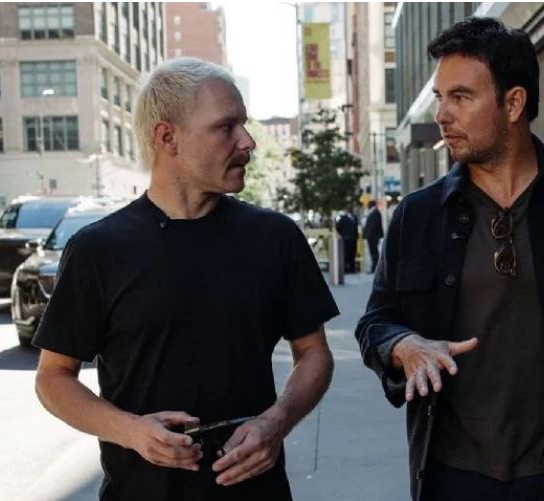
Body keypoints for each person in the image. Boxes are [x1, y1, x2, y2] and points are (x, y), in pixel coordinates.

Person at [355, 18, 544, 501]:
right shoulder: (418, 216)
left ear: (514, 103)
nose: (442, 115)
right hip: (454, 476)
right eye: (440, 97)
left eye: (461, 97)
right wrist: (404, 345)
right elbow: (375, 322)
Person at [33, 58, 339, 500]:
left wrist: (277, 421)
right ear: (167, 137)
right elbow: (53, 379)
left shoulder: (276, 237)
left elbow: (314, 353)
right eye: (226, 127)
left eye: (244, 125)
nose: (247, 142)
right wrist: (131, 431)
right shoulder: (97, 249)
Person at [335, 208, 359, 273]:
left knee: (352, 254)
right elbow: (338, 227)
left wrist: (356, 236)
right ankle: (345, 269)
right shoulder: (343, 218)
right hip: (346, 239)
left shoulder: (355, 218)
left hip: (353, 239)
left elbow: (356, 228)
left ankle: (352, 268)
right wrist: (343, 234)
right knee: (346, 254)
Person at [362, 200, 383, 273]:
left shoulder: (375, 213)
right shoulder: (373, 212)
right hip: (372, 236)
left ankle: (375, 267)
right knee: (373, 252)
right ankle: (374, 267)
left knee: (374, 252)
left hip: (373, 237)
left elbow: (374, 225)